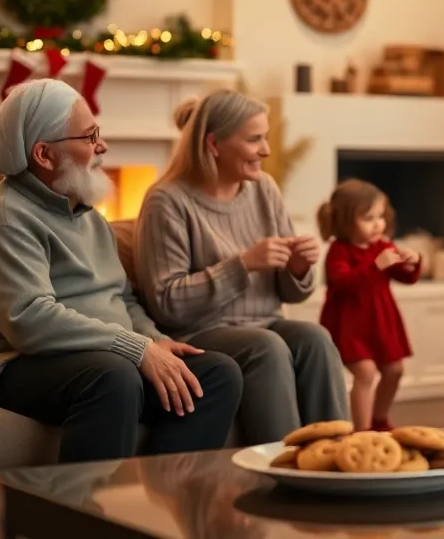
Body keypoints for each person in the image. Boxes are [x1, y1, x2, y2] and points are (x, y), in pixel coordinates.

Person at [0, 79, 241, 463]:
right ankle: (84, 513)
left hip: (97, 358)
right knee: (112, 377)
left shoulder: (86, 214)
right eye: (89, 137)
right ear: (44, 154)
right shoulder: (3, 218)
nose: (102, 147)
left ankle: (162, 499)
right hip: (7, 365)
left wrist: (153, 340)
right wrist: (136, 349)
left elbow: (121, 297)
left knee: (217, 374)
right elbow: (30, 320)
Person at [134, 90, 349, 445]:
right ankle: (284, 467)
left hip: (265, 320)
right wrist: (243, 265)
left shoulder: (264, 188)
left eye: (265, 138)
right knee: (266, 346)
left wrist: (297, 268)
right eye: (254, 139)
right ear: (214, 144)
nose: (266, 150)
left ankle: (339, 456)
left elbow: (291, 290)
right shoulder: (168, 200)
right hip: (198, 331)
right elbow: (165, 302)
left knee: (316, 339)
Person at [317, 179, 421, 432]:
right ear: (344, 221)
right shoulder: (339, 251)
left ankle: (379, 419)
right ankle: (362, 432)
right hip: (349, 323)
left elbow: (406, 277)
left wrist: (413, 262)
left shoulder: (382, 245)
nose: (378, 224)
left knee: (395, 369)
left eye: (380, 216)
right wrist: (375, 265)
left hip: (380, 320)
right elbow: (342, 282)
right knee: (365, 373)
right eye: (368, 218)